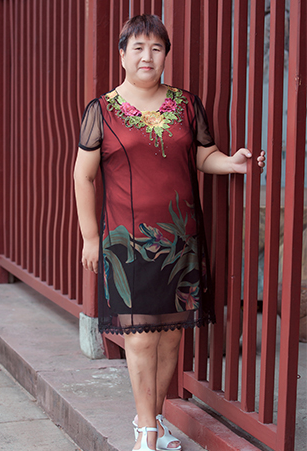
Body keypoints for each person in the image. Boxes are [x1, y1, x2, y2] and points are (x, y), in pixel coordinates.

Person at [73, 14, 265, 451]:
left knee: (171, 337)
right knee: (140, 340)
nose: (147, 56)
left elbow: (203, 156)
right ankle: (145, 431)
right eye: (138, 48)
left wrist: (233, 163)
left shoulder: (186, 105)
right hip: (128, 244)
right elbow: (83, 176)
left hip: (180, 241)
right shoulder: (102, 110)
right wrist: (90, 237)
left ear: (165, 55)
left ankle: (154, 420)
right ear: (122, 55)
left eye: (156, 48)